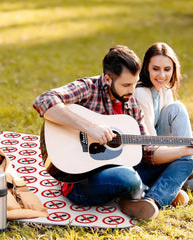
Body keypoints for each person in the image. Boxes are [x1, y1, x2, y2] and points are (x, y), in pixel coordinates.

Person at [33, 45, 193, 219]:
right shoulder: (88, 87)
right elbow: (44, 100)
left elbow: (148, 152)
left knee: (187, 160)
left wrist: (182, 150)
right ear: (108, 80)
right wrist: (89, 127)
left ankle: (151, 200)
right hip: (82, 180)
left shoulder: (131, 103)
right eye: (126, 85)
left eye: (134, 83)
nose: (132, 91)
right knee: (128, 178)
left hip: (126, 168)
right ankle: (153, 191)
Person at [134, 42, 193, 190]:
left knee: (176, 108)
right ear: (146, 67)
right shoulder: (141, 92)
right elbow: (150, 144)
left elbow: (172, 135)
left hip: (162, 147)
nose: (162, 75)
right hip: (145, 155)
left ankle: (186, 166)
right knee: (178, 108)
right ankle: (186, 169)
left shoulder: (164, 89)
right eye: (156, 69)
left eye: (167, 69)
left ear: (173, 69)